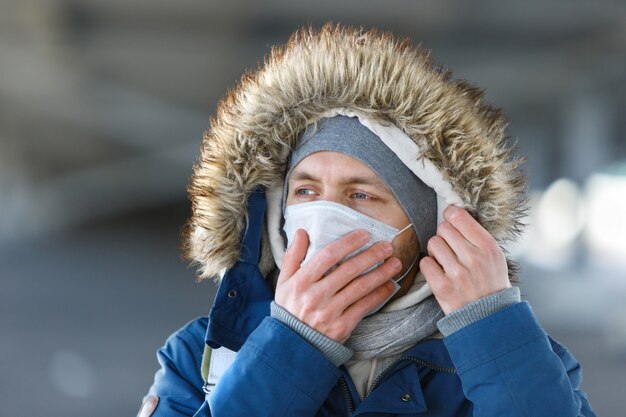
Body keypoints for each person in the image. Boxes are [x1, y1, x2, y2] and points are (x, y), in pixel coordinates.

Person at [138, 24, 596, 417]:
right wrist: (290, 347)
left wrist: (492, 329)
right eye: (306, 191)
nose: (326, 217)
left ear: (430, 227)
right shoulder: (202, 356)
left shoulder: (522, 357)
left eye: (361, 194)